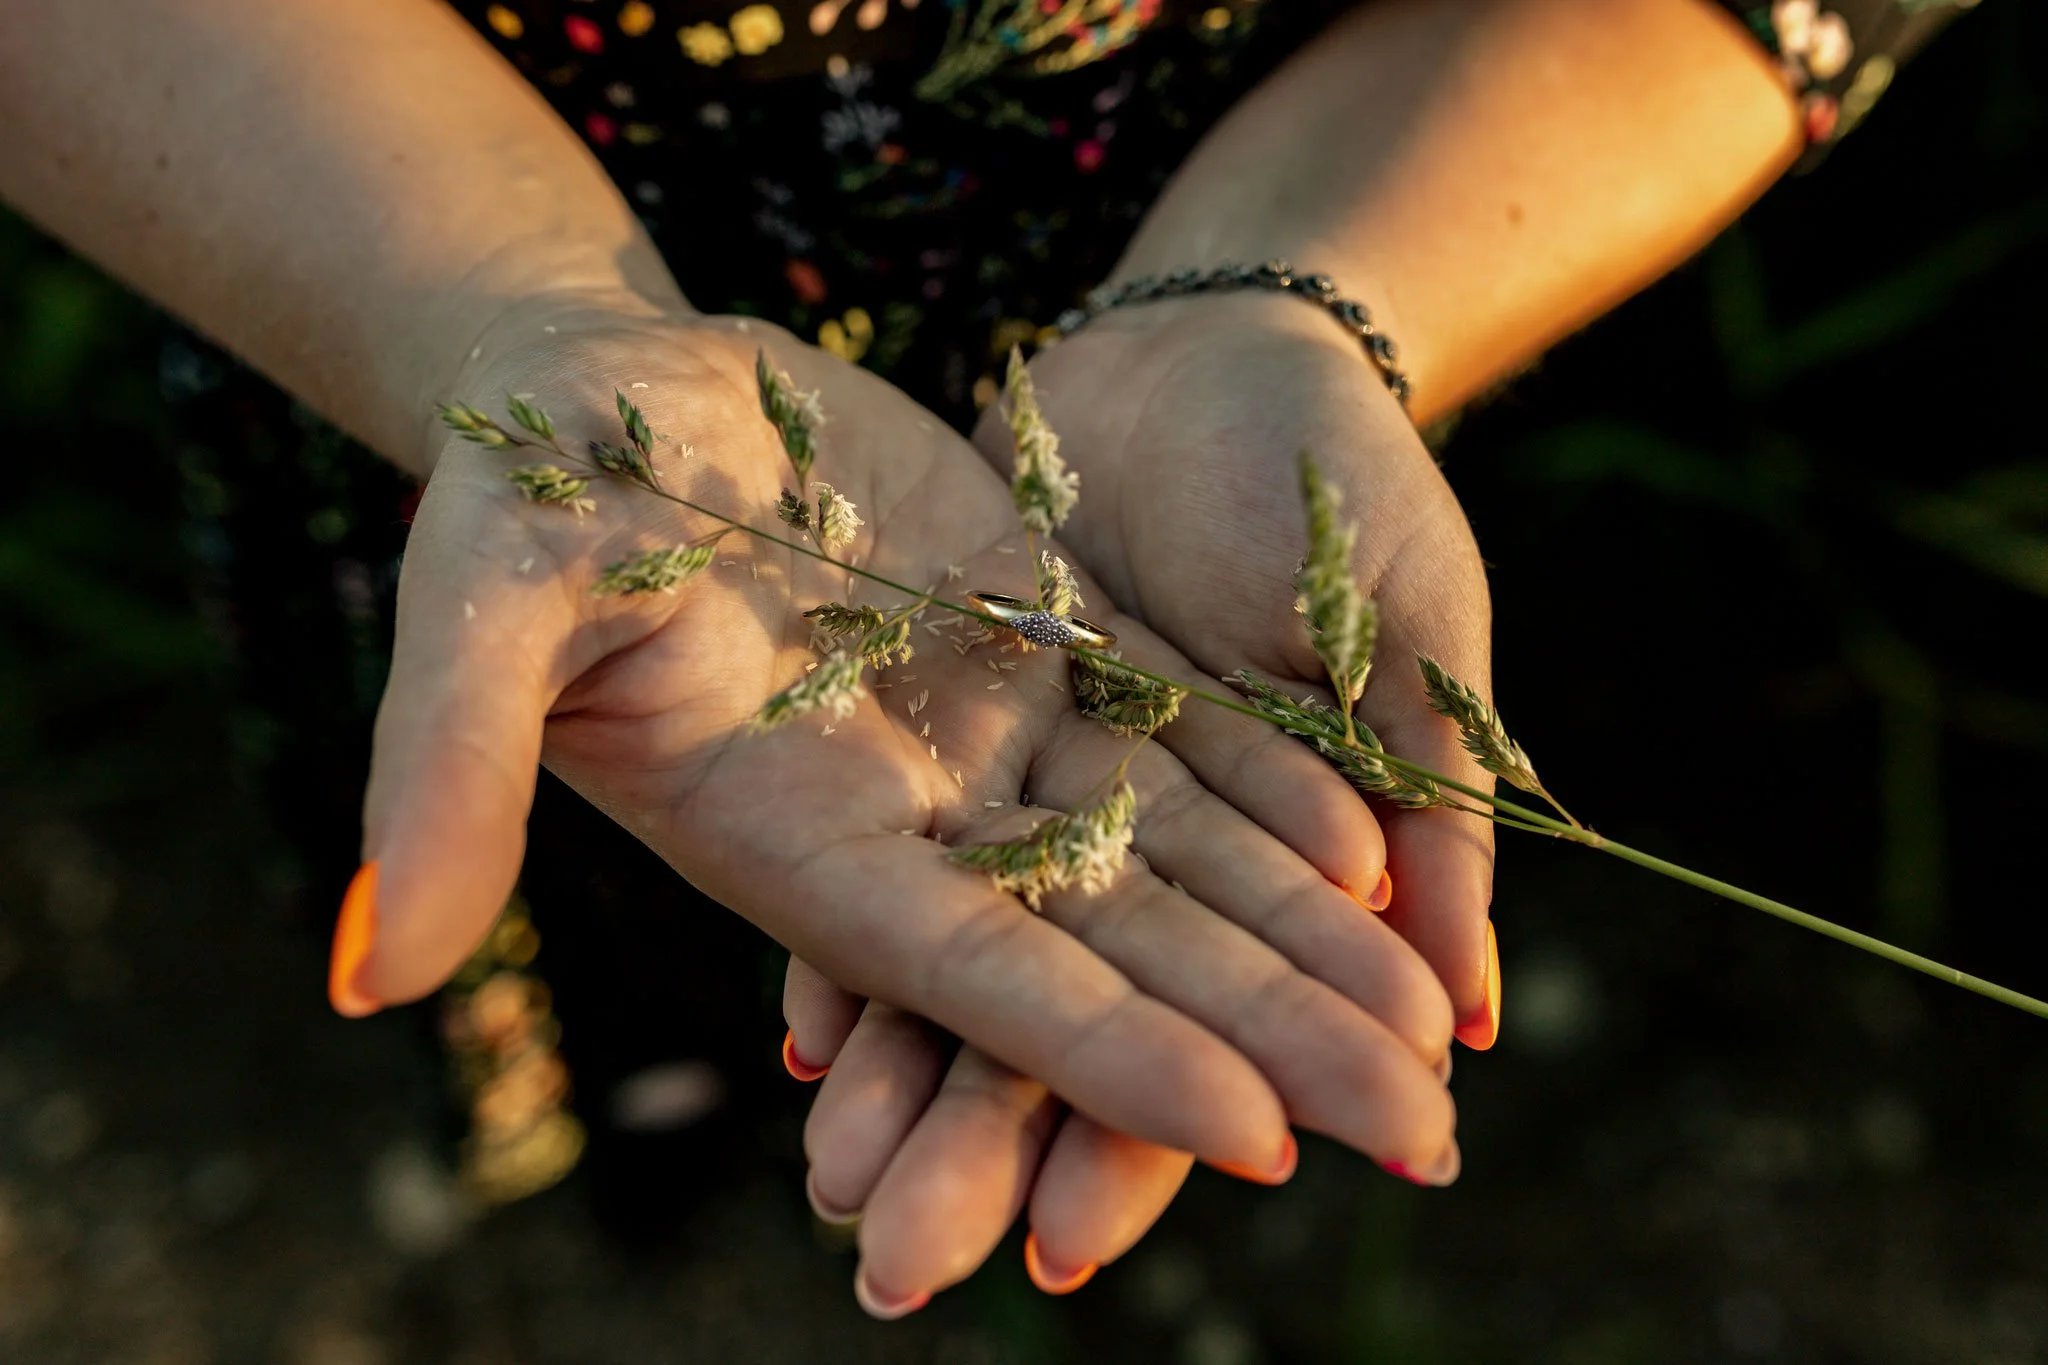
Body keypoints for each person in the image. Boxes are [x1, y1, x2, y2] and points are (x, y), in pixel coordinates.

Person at [0, 0, 1967, 1320]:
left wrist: (1290, 298)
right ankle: (655, 1106)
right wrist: (496, 315)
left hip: (1284, 191)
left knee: (882, 881)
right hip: (363, 206)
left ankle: (692, 1105)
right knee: (602, 767)